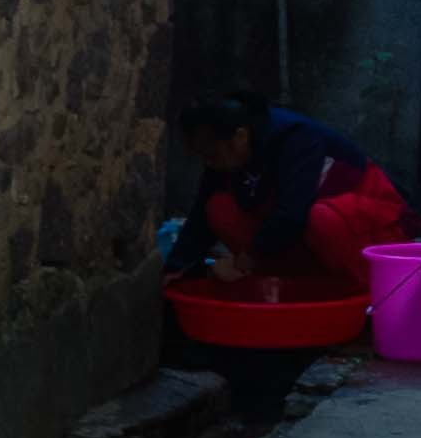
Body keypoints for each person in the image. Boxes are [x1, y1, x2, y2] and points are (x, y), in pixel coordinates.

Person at [169, 93, 408, 294]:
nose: (209, 164)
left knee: (322, 219)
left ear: (240, 137)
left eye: (211, 155)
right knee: (219, 208)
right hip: (306, 237)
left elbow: (292, 212)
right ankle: (294, 288)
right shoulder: (227, 154)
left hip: (370, 231)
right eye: (202, 157)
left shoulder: (297, 138)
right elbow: (201, 215)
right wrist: (176, 269)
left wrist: (248, 255)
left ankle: (367, 298)